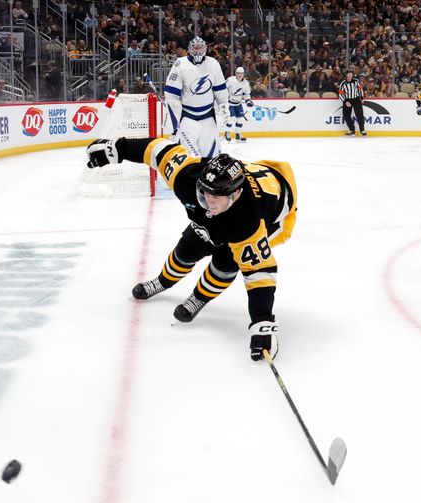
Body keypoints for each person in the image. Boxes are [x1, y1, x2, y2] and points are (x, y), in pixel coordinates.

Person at [86, 136, 297, 361]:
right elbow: (159, 151)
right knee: (188, 248)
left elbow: (259, 274)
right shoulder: (188, 178)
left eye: (216, 196)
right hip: (236, 202)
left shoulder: (249, 222)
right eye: (204, 193)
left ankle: (199, 297)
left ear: (235, 195)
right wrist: (117, 149)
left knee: (225, 263)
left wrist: (262, 324)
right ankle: (163, 281)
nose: (208, 200)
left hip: (274, 214)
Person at [163, 37, 229, 158]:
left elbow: (220, 89)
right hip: (188, 116)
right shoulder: (180, 64)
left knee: (212, 154)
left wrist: (223, 105)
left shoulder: (213, 63)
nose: (198, 50)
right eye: (195, 47)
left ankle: (209, 175)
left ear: (205, 48)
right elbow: (172, 95)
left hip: (208, 116)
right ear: (190, 48)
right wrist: (174, 123)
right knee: (182, 156)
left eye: (200, 47)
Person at [224, 66, 253, 142]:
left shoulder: (245, 83)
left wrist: (248, 101)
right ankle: (227, 132)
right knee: (232, 118)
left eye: (241, 73)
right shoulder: (230, 80)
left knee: (240, 119)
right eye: (238, 73)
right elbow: (223, 88)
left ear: (243, 74)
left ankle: (238, 136)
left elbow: (246, 94)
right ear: (235, 74)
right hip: (230, 103)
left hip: (238, 104)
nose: (239, 75)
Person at [338, 70, 366, 137]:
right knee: (346, 115)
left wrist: (362, 98)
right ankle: (352, 130)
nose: (350, 75)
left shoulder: (356, 81)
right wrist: (345, 101)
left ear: (352, 75)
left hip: (356, 99)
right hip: (347, 100)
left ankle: (362, 130)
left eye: (351, 74)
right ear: (346, 75)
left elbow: (360, 89)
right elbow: (340, 94)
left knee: (359, 115)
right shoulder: (343, 83)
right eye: (348, 74)